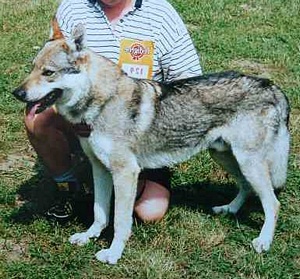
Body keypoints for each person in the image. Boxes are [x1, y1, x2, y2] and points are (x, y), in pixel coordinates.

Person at [24, 0, 202, 222]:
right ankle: (69, 190)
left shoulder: (160, 13)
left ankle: (129, 173)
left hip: (140, 132)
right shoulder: (72, 7)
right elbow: (55, 69)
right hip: (84, 120)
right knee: (38, 120)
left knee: (149, 213)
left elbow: (189, 82)